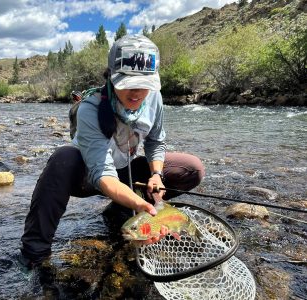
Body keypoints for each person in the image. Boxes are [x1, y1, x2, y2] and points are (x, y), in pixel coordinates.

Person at [20, 34, 205, 268]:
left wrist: (156, 175)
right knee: (63, 158)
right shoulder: (90, 109)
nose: (137, 93)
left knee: (191, 168)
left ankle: (118, 210)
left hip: (125, 172)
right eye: (128, 84)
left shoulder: (155, 99)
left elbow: (156, 141)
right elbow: (102, 175)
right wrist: (140, 207)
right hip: (86, 176)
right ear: (112, 76)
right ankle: (34, 253)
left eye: (144, 85)